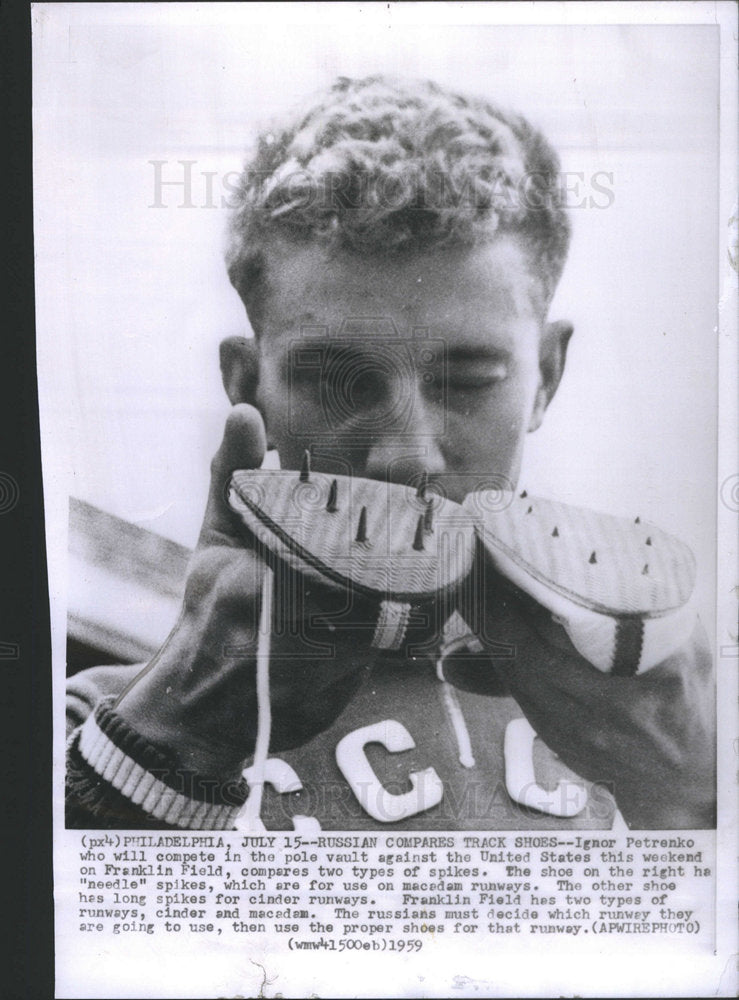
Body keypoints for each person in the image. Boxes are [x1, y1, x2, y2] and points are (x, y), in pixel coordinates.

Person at [65, 75, 714, 831]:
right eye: (336, 381)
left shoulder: (680, 733)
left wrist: (693, 799)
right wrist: (170, 740)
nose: (404, 456)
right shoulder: (94, 724)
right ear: (247, 387)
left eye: (467, 381)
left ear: (546, 379)